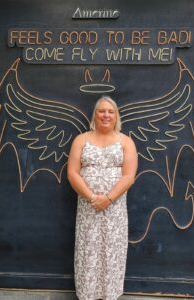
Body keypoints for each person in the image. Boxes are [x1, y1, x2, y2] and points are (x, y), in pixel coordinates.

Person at [67, 96, 138, 300]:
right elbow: (72, 173)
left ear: (116, 116)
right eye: (101, 111)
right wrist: (91, 197)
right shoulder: (81, 140)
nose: (106, 115)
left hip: (114, 208)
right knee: (88, 249)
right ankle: (87, 294)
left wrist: (108, 198)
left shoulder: (126, 142)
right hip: (88, 207)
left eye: (110, 111)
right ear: (94, 115)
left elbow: (129, 175)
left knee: (111, 251)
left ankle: (109, 295)